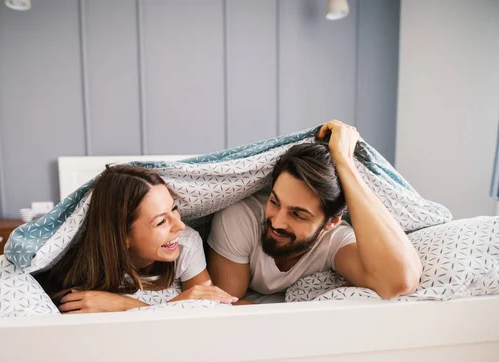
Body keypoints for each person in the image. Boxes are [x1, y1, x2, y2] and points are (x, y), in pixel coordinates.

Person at [207, 120, 423, 304]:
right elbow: (226, 306)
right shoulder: (239, 218)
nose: (277, 222)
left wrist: (344, 161)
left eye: (298, 215)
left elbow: (399, 281)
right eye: (274, 201)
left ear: (331, 223)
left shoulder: (335, 240)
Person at [35, 165, 237, 313]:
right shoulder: (78, 270)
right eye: (161, 222)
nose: (180, 226)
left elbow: (208, 313)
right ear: (122, 235)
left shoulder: (186, 243)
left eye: (174, 209)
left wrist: (122, 305)